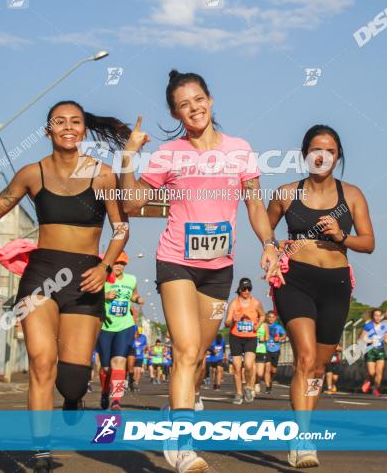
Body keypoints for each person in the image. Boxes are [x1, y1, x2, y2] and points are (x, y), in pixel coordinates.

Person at [118, 70, 280, 473]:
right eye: (183, 105)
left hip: (219, 269)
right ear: (176, 113)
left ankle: (181, 403)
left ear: (210, 99)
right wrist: (128, 157)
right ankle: (182, 445)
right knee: (186, 351)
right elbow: (133, 204)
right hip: (176, 262)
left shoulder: (240, 150)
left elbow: (255, 205)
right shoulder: (170, 154)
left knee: (200, 354)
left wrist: (270, 245)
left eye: (197, 99)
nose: (193, 109)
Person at [0, 101, 129, 472]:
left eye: (75, 122)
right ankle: (40, 450)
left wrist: (106, 267)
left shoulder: (103, 175)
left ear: (83, 131)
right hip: (41, 275)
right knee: (41, 362)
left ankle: (75, 398)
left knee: (73, 383)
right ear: (48, 131)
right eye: (59, 121)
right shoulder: (32, 174)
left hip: (86, 279)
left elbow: (121, 229)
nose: (67, 127)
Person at [267, 124, 375, 468]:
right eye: (316, 149)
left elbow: (369, 243)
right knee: (305, 356)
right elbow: (263, 227)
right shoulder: (286, 193)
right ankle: (302, 439)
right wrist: (273, 245)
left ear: (337, 156)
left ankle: (305, 429)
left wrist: (343, 236)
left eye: (329, 150)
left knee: (318, 367)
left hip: (336, 283)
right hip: (295, 279)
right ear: (305, 155)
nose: (322, 156)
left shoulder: (353, 195)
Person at [96, 251, 143, 410]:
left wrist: (137, 299)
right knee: (106, 368)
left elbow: (134, 294)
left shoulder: (131, 279)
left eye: (122, 263)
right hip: (105, 326)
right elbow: (89, 296)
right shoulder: (102, 279)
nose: (118, 266)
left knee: (119, 362)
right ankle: (104, 390)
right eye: (116, 263)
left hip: (125, 325)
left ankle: (116, 400)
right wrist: (105, 296)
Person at [226, 277, 266, 404]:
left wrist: (258, 325)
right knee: (237, 367)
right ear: (240, 289)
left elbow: (263, 315)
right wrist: (234, 320)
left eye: (249, 288)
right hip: (236, 337)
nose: (246, 291)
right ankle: (238, 393)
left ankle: (249, 386)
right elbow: (227, 323)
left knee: (248, 365)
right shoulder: (234, 303)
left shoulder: (256, 303)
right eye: (244, 288)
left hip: (250, 338)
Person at [360, 310, 387, 397]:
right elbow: (361, 338)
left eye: (379, 316)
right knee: (372, 373)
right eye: (376, 315)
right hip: (370, 350)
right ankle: (368, 380)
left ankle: (376, 389)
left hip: (380, 351)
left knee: (379, 372)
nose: (378, 317)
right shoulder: (368, 326)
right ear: (373, 316)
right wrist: (369, 340)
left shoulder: (383, 326)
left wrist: (385, 339)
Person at [264, 312, 286, 394]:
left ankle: (270, 382)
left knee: (273, 371)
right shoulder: (264, 326)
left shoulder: (278, 327)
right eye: (269, 317)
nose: (271, 319)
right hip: (266, 349)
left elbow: (284, 335)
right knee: (267, 368)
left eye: (273, 317)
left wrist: (279, 338)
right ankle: (267, 387)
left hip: (276, 349)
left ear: (275, 318)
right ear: (267, 318)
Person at [253, 316, 270, 395]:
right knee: (252, 369)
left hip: (261, 350)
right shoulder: (251, 323)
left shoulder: (264, 325)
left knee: (260, 373)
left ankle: (257, 382)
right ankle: (251, 386)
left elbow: (267, 337)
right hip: (251, 349)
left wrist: (264, 338)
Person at [130, 327, 147, 392]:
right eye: (136, 333)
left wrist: (144, 349)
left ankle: (136, 383)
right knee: (134, 371)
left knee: (138, 371)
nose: (137, 335)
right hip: (133, 356)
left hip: (140, 356)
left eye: (138, 334)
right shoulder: (131, 337)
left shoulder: (143, 337)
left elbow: (145, 345)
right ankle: (132, 383)